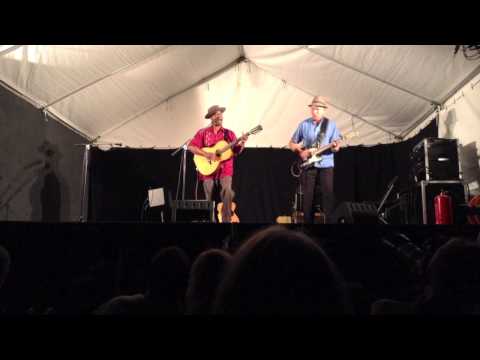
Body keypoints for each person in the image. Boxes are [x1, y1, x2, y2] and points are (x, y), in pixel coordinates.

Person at [188, 105, 248, 223]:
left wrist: (242, 143)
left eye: (220, 113)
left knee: (227, 194)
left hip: (225, 169)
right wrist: (207, 155)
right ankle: (212, 225)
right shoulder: (203, 132)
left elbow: (236, 151)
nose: (219, 115)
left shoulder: (229, 134)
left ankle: (225, 223)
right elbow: (191, 146)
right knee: (208, 199)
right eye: (216, 113)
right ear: (211, 117)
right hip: (207, 170)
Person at [289, 96, 342, 223]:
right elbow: (291, 143)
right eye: (313, 108)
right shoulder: (304, 124)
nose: (315, 111)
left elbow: (337, 147)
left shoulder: (331, 125)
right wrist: (301, 152)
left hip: (326, 164)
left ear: (324, 110)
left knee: (327, 196)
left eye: (318, 109)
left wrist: (335, 147)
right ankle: (308, 226)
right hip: (309, 164)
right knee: (308, 197)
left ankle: (330, 224)